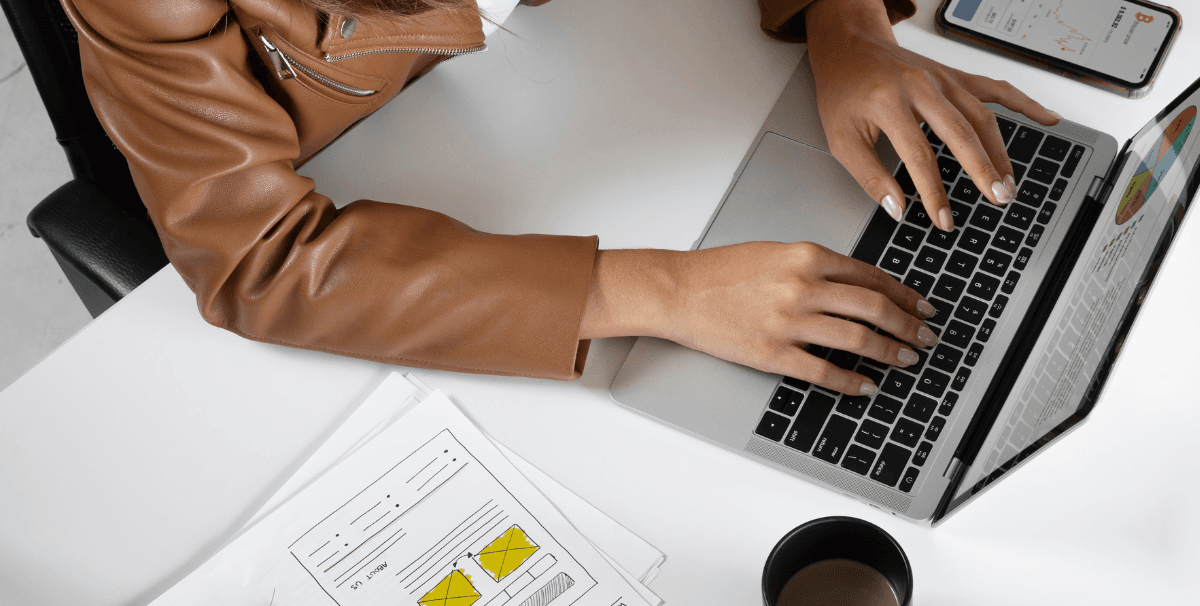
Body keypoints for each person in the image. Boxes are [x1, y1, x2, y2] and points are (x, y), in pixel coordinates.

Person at [61, 0, 1058, 396]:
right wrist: (664, 290)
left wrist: (846, 27)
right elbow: (259, 258)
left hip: (583, 92)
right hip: (401, 213)